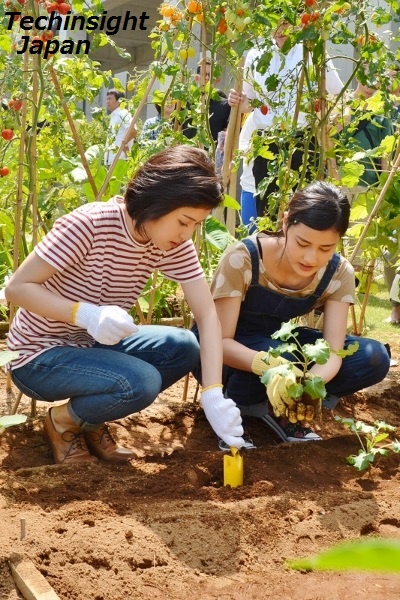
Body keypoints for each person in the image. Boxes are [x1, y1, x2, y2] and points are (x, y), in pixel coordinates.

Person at [5, 146, 245, 465]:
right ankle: (62, 422)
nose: (187, 234)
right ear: (157, 202)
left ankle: (86, 420)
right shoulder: (90, 224)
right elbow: (17, 288)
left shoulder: (172, 242)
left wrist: (213, 390)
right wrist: (86, 314)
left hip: (91, 347)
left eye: (196, 225)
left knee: (185, 345)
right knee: (140, 381)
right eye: (184, 221)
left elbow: (206, 315)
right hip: (39, 354)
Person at [209, 181, 390, 446]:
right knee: (284, 355)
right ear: (285, 223)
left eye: (325, 249)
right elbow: (218, 342)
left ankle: (285, 409)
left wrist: (307, 385)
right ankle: (235, 407)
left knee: (372, 357)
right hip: (225, 352)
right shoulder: (244, 258)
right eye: (302, 243)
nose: (311, 258)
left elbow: (333, 351)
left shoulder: (339, 273)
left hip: (279, 345)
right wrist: (270, 366)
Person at [229, 19, 343, 218]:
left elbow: (337, 95)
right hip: (266, 141)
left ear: (296, 22)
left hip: (303, 139)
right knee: (267, 211)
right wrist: (237, 100)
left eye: (285, 23)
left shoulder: (312, 51)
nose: (279, 30)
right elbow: (250, 103)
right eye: (274, 23)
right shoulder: (256, 53)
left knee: (306, 211)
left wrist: (326, 121)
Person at [183, 57, 231, 145]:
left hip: (212, 156)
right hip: (188, 155)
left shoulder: (226, 105)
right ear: (197, 78)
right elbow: (178, 129)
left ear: (217, 80)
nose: (207, 78)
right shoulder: (186, 102)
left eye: (211, 75)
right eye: (204, 74)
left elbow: (226, 134)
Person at [104, 89, 137, 167]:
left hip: (119, 160)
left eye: (110, 99)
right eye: (107, 99)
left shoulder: (123, 113)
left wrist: (124, 144)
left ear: (119, 101)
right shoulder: (115, 115)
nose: (107, 101)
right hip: (111, 160)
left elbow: (133, 130)